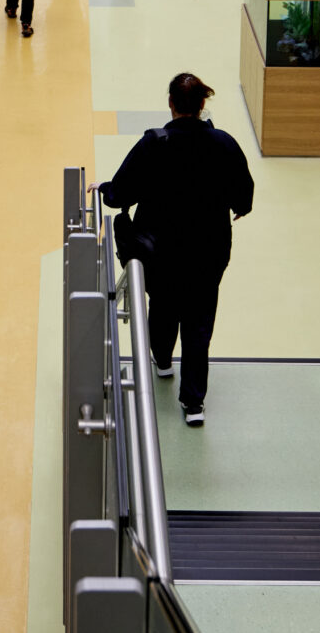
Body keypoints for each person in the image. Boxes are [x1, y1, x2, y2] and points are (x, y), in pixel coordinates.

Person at [98, 74, 254, 427]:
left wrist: (104, 188)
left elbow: (120, 193)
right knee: (199, 320)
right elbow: (243, 197)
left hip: (160, 251)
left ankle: (163, 360)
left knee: (163, 303)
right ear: (202, 105)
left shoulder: (154, 144)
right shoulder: (223, 144)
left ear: (171, 104)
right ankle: (194, 403)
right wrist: (235, 207)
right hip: (209, 251)